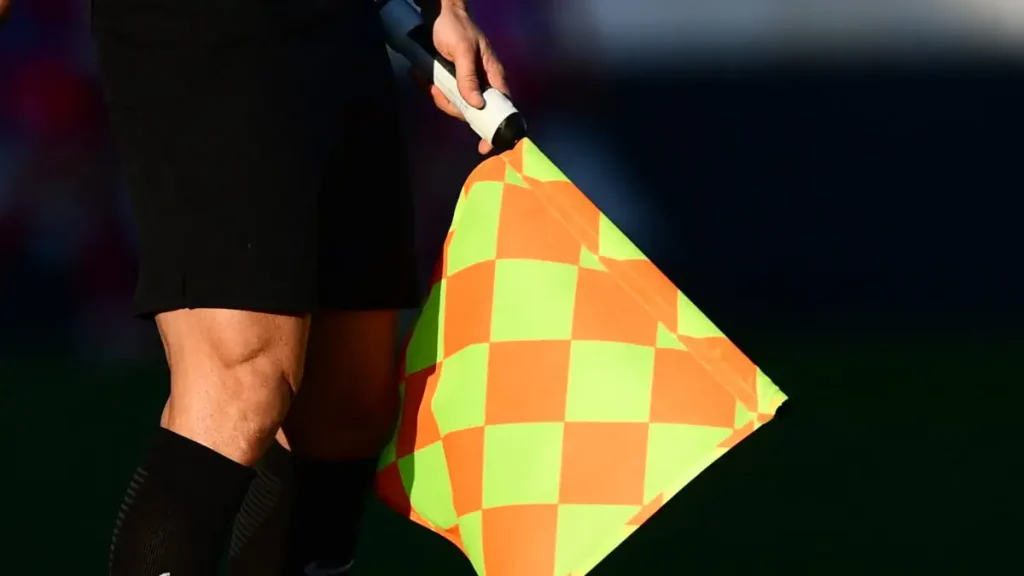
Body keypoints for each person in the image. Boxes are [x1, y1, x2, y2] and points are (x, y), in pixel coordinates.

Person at [87, 0, 510, 574]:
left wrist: (445, 6)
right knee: (242, 385)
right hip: (204, 28)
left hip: (341, 27)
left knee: (347, 411)